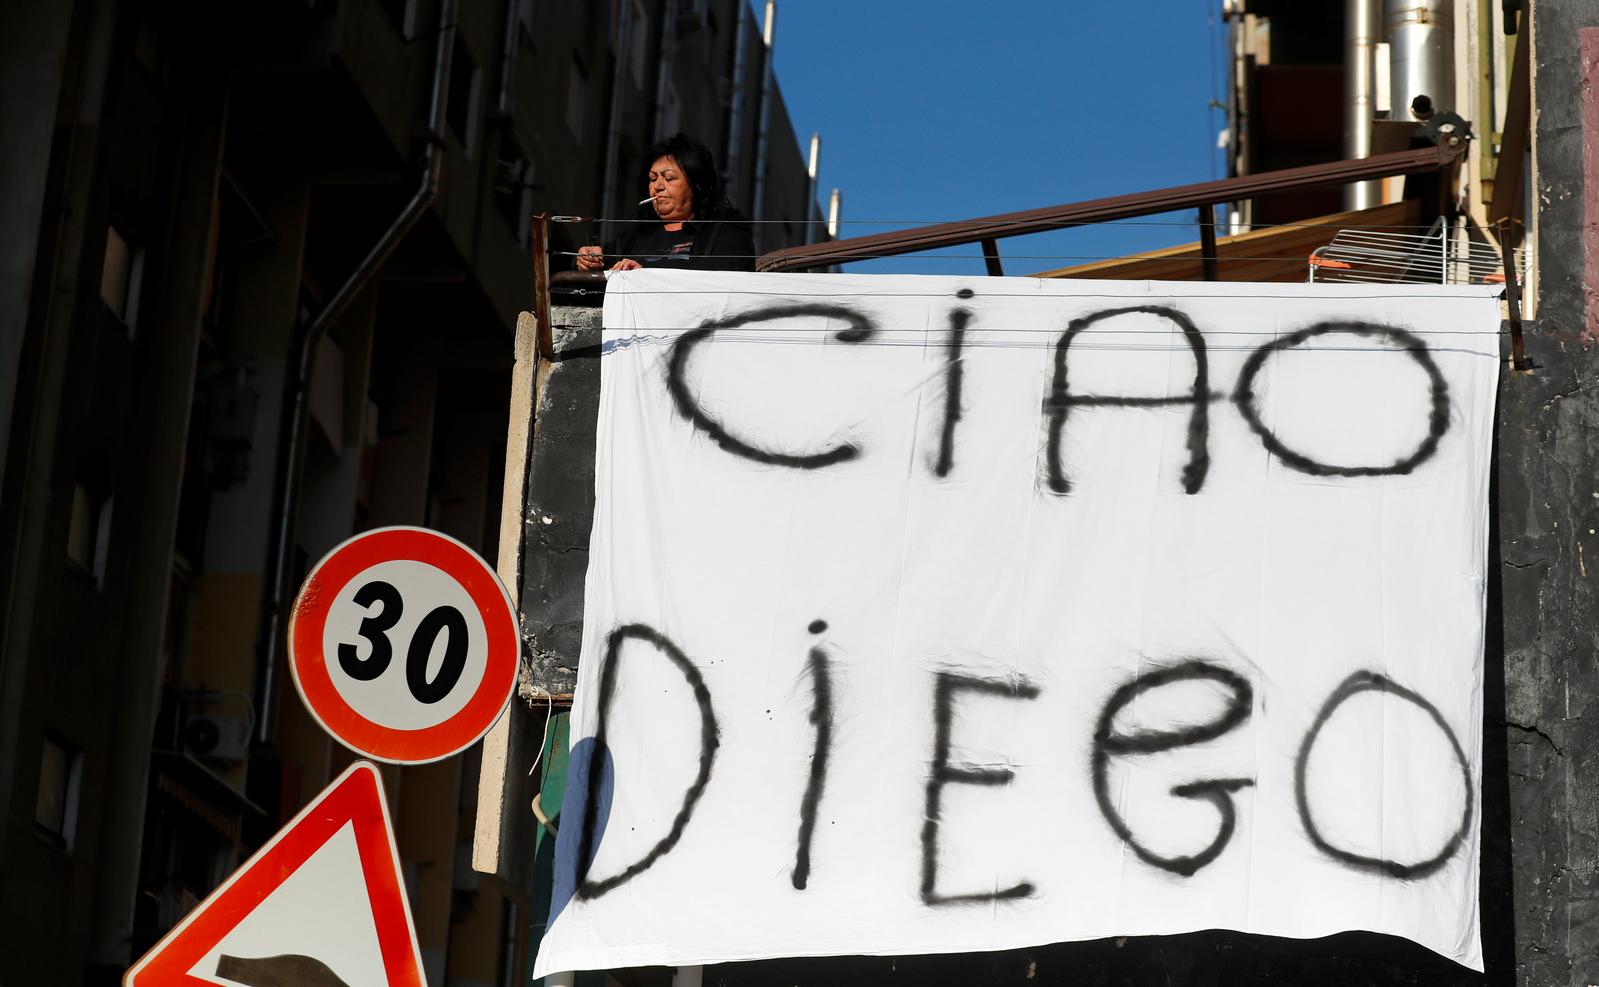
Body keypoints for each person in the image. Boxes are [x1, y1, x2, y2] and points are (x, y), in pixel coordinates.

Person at [575, 134, 756, 273]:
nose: (658, 187)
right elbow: (601, 267)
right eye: (653, 179)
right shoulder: (638, 233)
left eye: (669, 178)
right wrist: (589, 259)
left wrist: (647, 276)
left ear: (697, 184)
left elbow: (733, 274)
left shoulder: (725, 226)